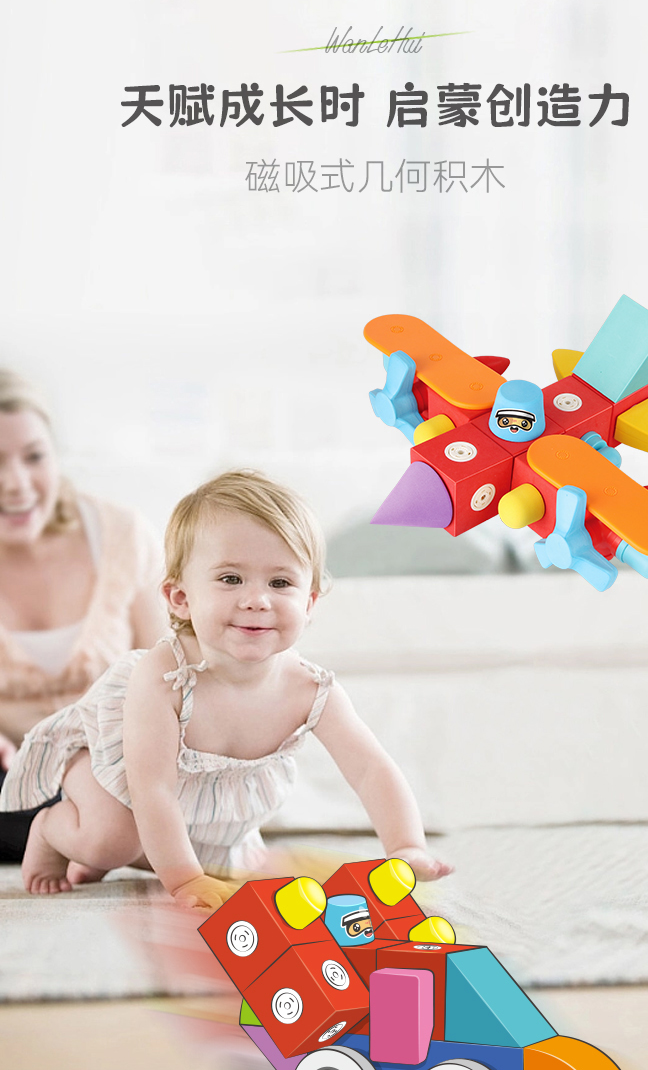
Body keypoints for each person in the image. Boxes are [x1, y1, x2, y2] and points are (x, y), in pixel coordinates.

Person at [1, 471, 451, 907]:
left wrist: (407, 846)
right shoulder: (164, 676)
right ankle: (53, 831)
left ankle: (122, 858)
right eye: (231, 578)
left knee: (228, 869)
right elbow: (151, 789)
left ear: (309, 603)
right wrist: (185, 881)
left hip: (205, 811)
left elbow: (371, 769)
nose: (257, 599)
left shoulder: (311, 691)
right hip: (113, 775)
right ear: (181, 598)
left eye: (280, 583)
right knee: (110, 838)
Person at [0, 369, 165, 860]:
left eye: (34, 457)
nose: (17, 484)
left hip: (115, 768)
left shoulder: (122, 535)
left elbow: (173, 671)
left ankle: (92, 832)